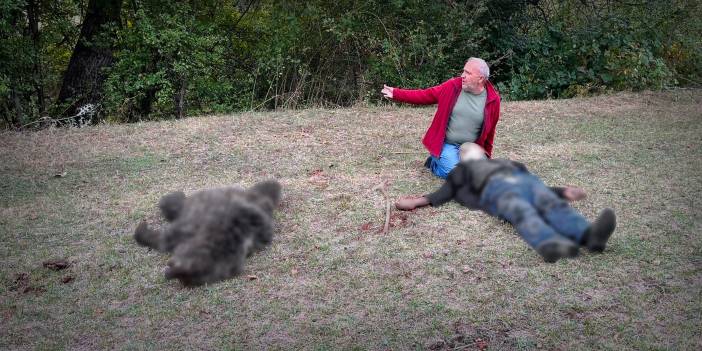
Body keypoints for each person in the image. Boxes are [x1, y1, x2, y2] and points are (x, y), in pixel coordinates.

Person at [395, 143, 617, 263]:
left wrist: (561, 191)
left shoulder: (506, 164)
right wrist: (414, 202)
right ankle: (552, 243)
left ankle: (591, 237)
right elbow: (441, 194)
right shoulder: (461, 173)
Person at [381, 57, 501, 178]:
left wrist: (487, 157)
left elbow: (490, 132)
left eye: (468, 73)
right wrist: (396, 93)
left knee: (482, 175)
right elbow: (425, 95)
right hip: (446, 145)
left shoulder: (493, 100)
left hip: (470, 147)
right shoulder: (452, 86)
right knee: (456, 175)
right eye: (463, 71)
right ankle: (434, 164)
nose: (463, 75)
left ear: (480, 78)